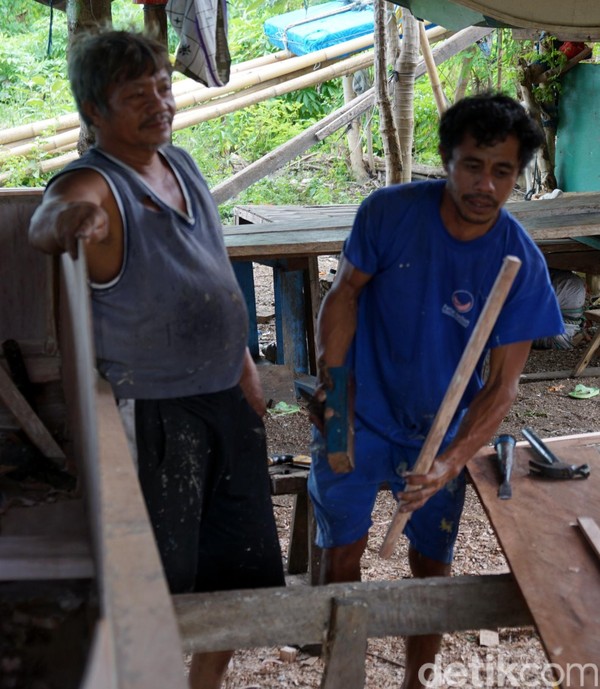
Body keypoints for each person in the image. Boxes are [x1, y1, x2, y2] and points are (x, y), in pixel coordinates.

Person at [28, 29, 284, 689]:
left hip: (225, 395)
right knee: (163, 578)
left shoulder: (183, 166)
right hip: (159, 411)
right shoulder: (98, 184)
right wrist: (65, 224)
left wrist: (244, 361)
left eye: (163, 87)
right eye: (135, 94)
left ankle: (203, 684)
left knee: (235, 566)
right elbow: (53, 212)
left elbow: (216, 270)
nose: (159, 103)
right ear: (94, 112)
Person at [308, 93, 563, 689]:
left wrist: (450, 462)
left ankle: (417, 679)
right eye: (473, 165)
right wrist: (334, 393)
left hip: (439, 429)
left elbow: (501, 388)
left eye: (503, 171)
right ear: (446, 161)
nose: (486, 185)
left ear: (516, 176)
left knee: (431, 562)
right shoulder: (389, 214)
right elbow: (342, 295)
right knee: (342, 551)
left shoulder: (518, 261)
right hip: (360, 410)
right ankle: (337, 671)